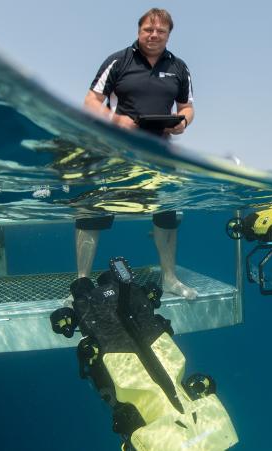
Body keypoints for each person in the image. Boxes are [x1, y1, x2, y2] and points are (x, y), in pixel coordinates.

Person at [78, 8, 197, 300]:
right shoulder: (118, 61)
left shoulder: (179, 67)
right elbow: (91, 100)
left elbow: (187, 107)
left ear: (169, 35)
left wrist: (182, 122)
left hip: (159, 154)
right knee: (91, 213)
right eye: (148, 30)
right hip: (116, 153)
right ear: (139, 30)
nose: (154, 35)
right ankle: (81, 284)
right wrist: (114, 120)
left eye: (161, 31)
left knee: (166, 214)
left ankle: (169, 277)